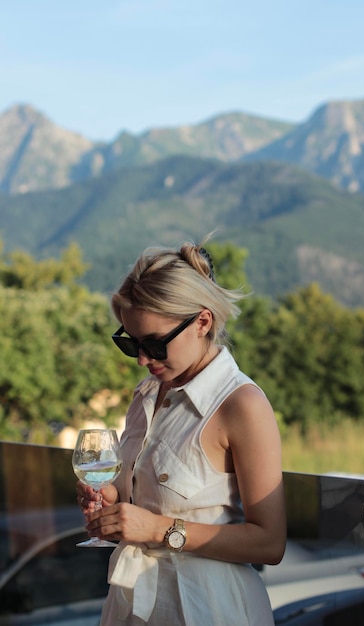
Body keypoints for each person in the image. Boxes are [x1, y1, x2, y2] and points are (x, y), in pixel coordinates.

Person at [77, 239, 286, 626]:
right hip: (132, 604)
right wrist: (109, 502)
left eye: (155, 344)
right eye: (130, 343)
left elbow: (270, 543)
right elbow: (142, 498)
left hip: (209, 607)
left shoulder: (242, 405)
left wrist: (156, 529)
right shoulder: (146, 395)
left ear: (202, 322)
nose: (142, 359)